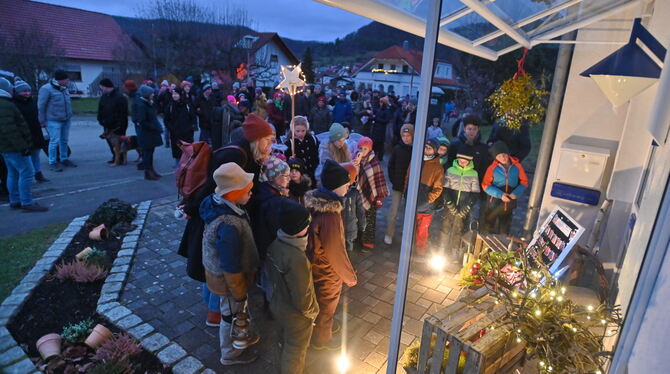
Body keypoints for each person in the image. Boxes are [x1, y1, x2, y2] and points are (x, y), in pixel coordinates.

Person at [178, 113, 274, 324]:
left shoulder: (246, 151)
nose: (271, 145)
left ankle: (214, 306)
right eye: (268, 140)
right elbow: (212, 188)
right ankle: (216, 313)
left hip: (221, 212)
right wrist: (192, 209)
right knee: (218, 263)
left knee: (215, 261)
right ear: (257, 139)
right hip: (215, 216)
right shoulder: (236, 156)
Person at [200, 162, 260, 366]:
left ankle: (235, 343)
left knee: (233, 313)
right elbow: (230, 266)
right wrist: (239, 292)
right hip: (230, 282)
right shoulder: (229, 226)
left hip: (226, 278)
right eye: (247, 190)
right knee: (232, 315)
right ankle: (230, 353)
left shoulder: (216, 203)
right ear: (233, 194)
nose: (251, 193)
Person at [305, 160, 357, 350]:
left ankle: (321, 330)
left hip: (315, 264)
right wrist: (349, 276)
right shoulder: (330, 215)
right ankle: (322, 340)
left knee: (319, 302)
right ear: (336, 186)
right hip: (326, 270)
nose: (348, 187)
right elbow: (335, 251)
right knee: (326, 306)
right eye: (346, 184)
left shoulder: (318, 204)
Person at [266, 200, 319, 374]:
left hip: (277, 304)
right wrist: (312, 314)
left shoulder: (276, 243)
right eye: (307, 224)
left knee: (284, 341)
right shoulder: (296, 259)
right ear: (298, 230)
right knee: (295, 350)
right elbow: (302, 296)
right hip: (295, 315)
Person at [0, 78, 48, 212]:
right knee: (27, 172)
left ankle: (15, 200)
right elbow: (9, 129)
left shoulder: (6, 103)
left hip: (6, 147)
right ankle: (27, 202)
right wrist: (22, 146)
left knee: (13, 173)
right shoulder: (5, 105)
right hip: (14, 147)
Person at [440, 150, 480, 269]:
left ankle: (454, 252)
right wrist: (449, 204)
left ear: (469, 162)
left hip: (463, 206)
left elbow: (475, 193)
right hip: (450, 206)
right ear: (457, 160)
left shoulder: (473, 174)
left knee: (459, 229)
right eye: (460, 161)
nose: (462, 163)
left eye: (465, 161)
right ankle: (442, 249)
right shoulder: (451, 171)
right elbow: (445, 189)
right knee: (445, 227)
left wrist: (467, 207)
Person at [481, 141, 528, 234]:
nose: (502, 158)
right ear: (495, 158)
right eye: (499, 156)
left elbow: (524, 182)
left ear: (508, 154)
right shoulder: (492, 168)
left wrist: (516, 193)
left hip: (510, 202)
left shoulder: (517, 166)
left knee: (505, 227)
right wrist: (500, 195)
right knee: (489, 224)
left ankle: (502, 243)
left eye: (504, 155)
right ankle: (486, 245)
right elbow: (485, 185)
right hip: (494, 202)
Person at [411, 139, 444, 255]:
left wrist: (428, 199)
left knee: (422, 229)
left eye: (429, 148)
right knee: (411, 226)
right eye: (425, 147)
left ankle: (421, 249)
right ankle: (409, 247)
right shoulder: (417, 160)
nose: (426, 150)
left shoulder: (437, 167)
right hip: (412, 200)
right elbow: (408, 176)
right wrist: (407, 192)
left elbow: (438, 188)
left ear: (434, 151)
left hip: (425, 205)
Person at [355, 137, 388, 250]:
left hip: (372, 197)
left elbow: (378, 180)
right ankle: (358, 239)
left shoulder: (374, 162)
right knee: (358, 217)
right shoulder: (355, 158)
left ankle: (368, 242)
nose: (362, 151)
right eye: (360, 148)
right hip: (358, 195)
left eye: (365, 148)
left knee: (369, 219)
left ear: (370, 149)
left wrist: (379, 197)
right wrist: (356, 163)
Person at [12, 79, 48, 183]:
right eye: (24, 91)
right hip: (23, 133)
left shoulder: (33, 101)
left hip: (35, 131)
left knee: (36, 154)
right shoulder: (14, 104)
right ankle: (26, 177)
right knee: (24, 158)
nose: (27, 93)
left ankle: (38, 173)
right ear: (18, 92)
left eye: (28, 91)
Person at [38, 70, 74, 172]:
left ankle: (64, 159)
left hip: (66, 119)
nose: (68, 81)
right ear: (61, 80)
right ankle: (52, 162)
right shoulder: (46, 89)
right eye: (67, 79)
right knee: (54, 141)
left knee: (64, 140)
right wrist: (41, 120)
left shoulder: (64, 88)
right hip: (53, 120)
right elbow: (41, 106)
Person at [384, 123, 413, 245]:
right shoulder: (397, 149)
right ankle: (389, 234)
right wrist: (393, 179)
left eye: (408, 135)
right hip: (398, 185)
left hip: (411, 187)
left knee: (409, 213)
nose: (406, 138)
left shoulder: (415, 150)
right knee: (393, 212)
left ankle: (406, 236)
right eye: (404, 135)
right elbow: (390, 165)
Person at [447, 114, 490, 187]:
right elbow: (449, 163)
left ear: (478, 129)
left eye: (474, 129)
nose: (472, 131)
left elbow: (484, 168)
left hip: (474, 185)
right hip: (456, 183)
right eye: (469, 129)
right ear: (464, 129)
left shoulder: (483, 148)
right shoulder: (455, 145)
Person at [132, 85, 163, 180]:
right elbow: (142, 121)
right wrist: (154, 127)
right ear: (146, 95)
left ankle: (151, 170)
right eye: (151, 93)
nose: (153, 95)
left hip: (150, 133)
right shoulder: (142, 105)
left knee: (150, 152)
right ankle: (148, 172)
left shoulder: (148, 103)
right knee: (147, 154)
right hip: (146, 134)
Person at [97, 78, 129, 164]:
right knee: (110, 142)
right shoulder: (104, 97)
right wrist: (100, 119)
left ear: (106, 86)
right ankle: (115, 156)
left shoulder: (120, 97)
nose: (101, 89)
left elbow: (123, 114)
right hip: (107, 125)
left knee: (119, 143)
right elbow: (100, 109)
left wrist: (121, 126)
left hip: (117, 126)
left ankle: (121, 158)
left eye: (101, 87)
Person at [284, 116, 319, 186]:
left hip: (313, 171)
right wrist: (289, 159)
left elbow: (317, 154)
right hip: (299, 175)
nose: (300, 133)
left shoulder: (312, 139)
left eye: (303, 131)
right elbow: (285, 158)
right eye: (297, 131)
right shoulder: (290, 142)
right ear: (292, 130)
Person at [164, 89, 196, 164]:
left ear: (180, 95)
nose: (174, 96)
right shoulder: (170, 106)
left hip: (187, 134)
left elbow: (193, 117)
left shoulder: (187, 105)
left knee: (188, 152)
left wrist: (191, 127)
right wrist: (171, 128)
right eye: (173, 94)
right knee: (178, 154)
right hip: (175, 135)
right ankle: (180, 171)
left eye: (176, 94)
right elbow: (166, 120)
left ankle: (189, 170)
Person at [340, 162, 365, 252]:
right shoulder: (354, 193)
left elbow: (360, 211)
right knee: (347, 250)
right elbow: (361, 212)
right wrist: (362, 226)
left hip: (345, 230)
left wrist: (362, 225)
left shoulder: (353, 194)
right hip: (347, 230)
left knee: (345, 251)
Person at [371, 97, 393, 161]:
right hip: (375, 130)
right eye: (380, 102)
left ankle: (380, 157)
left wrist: (376, 118)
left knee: (380, 145)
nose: (380, 103)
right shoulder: (378, 109)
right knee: (374, 144)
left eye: (381, 102)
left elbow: (386, 120)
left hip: (381, 130)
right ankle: (373, 157)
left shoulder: (387, 111)